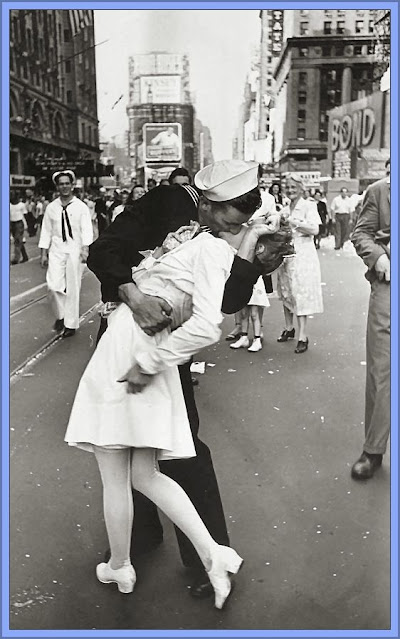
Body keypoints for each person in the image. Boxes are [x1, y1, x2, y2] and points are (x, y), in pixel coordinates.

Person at [66, 160, 271, 608]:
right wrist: (134, 296)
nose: (233, 224)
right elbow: (104, 252)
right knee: (132, 454)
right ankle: (139, 541)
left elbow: (225, 302)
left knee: (177, 449)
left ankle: (199, 558)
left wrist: (254, 263)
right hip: (131, 330)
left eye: (244, 218)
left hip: (166, 346)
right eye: (230, 215)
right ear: (211, 203)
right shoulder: (165, 202)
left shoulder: (227, 235)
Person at [350, 170, 390, 480]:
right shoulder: (379, 191)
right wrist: (377, 256)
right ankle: (373, 450)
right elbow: (360, 232)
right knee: (382, 371)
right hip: (389, 288)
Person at [38, 170, 93, 337]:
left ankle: (70, 324)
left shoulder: (81, 207)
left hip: (75, 249)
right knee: (53, 286)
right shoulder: (51, 208)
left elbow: (86, 229)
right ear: (57, 186)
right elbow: (46, 231)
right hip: (56, 249)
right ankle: (61, 316)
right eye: (61, 184)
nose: (64, 187)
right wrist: (43, 253)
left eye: (67, 183)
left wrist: (85, 248)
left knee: (73, 286)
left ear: (72, 185)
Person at [276, 173, 323, 353]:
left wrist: (293, 222)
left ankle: (303, 335)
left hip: (303, 255)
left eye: (293, 187)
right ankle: (289, 328)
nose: (290, 190)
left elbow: (314, 229)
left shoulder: (309, 206)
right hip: (286, 255)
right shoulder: (285, 208)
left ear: (301, 189)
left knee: (300, 293)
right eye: (287, 187)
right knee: (286, 291)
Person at [10, 194, 29, 264]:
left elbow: (25, 215)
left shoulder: (21, 205)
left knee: (17, 240)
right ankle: (25, 256)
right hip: (12, 223)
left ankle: (16, 258)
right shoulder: (9, 205)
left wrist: (26, 225)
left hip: (19, 223)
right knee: (17, 241)